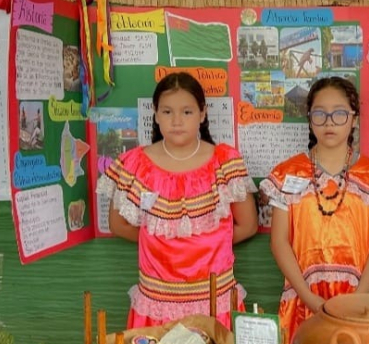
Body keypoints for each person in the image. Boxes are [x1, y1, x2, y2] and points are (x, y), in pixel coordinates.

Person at [98, 72, 258, 329]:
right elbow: (119, 225)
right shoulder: (135, 165)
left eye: (187, 112)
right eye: (167, 111)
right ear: (156, 113)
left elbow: (247, 225)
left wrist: (205, 245)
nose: (176, 121)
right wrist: (159, 243)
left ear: (202, 114)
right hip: (157, 298)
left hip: (213, 296)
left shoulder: (224, 162)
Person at [262, 76, 369, 342]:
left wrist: (359, 297)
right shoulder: (287, 174)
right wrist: (308, 297)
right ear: (309, 118)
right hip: (304, 299)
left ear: (354, 118)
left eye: (339, 114)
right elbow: (279, 242)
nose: (329, 123)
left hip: (361, 300)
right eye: (320, 114)